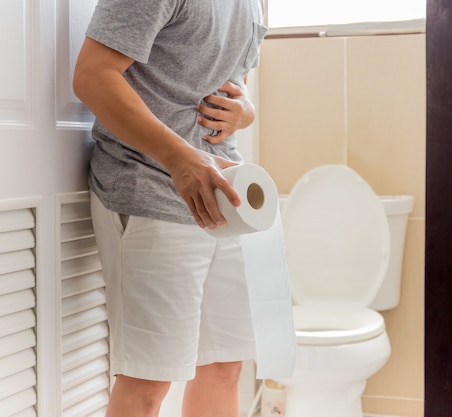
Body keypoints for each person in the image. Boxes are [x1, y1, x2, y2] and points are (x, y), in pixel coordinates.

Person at [73, 0, 269, 416]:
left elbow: (230, 82)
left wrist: (246, 112)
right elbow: (93, 76)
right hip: (152, 192)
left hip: (225, 196)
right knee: (148, 383)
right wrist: (180, 158)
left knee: (224, 367)